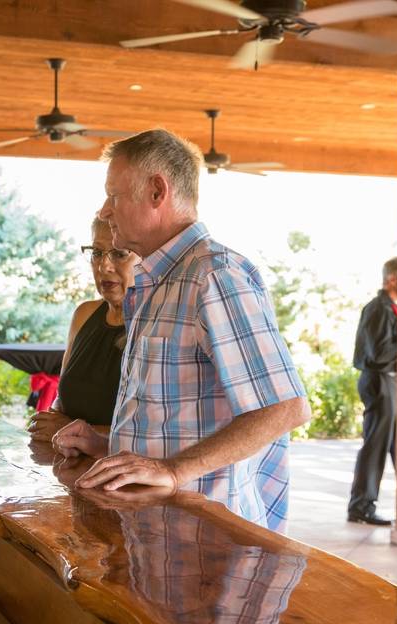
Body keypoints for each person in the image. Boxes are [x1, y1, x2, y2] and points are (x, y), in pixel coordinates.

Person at [52, 129, 311, 533]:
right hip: (158, 533)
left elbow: (284, 408)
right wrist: (110, 447)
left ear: (158, 191)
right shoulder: (157, 282)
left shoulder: (213, 276)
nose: (105, 211)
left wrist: (173, 471)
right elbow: (183, 418)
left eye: (114, 195)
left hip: (204, 538)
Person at [27, 217, 139, 442]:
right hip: (66, 463)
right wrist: (47, 421)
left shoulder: (155, 323)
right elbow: (63, 398)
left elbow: (153, 434)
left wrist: (71, 430)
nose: (103, 266)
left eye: (119, 253)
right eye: (97, 253)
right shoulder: (84, 314)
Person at [346, 258, 397, 526]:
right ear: (392, 279)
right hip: (379, 381)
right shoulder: (379, 309)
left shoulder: (392, 308)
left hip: (392, 382)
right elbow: (379, 354)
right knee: (376, 444)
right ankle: (361, 506)